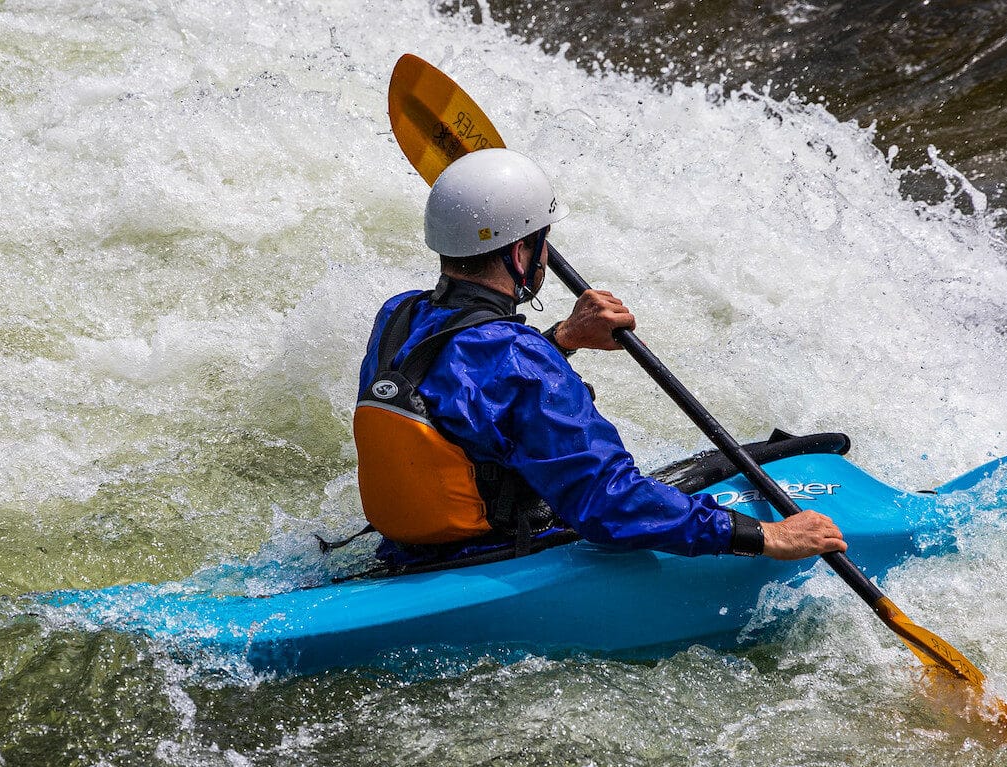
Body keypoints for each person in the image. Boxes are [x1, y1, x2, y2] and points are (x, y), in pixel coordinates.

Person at [354, 148, 843, 567]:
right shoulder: (520, 361)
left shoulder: (398, 316)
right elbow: (607, 504)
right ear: (522, 253)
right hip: (501, 553)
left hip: (409, 551)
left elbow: (468, 391)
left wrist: (563, 337)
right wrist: (761, 537)